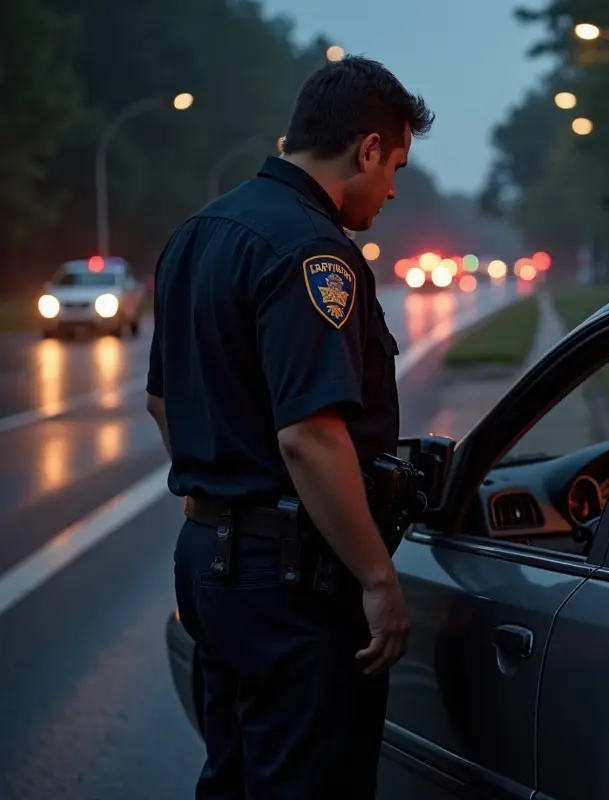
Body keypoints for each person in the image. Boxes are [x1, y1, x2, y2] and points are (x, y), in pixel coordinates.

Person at [145, 56, 434, 798]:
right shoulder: (314, 250)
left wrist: (227, 495)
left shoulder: (198, 232)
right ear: (366, 148)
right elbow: (310, 437)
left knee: (235, 774)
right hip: (291, 583)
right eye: (395, 165)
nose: (393, 188)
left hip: (207, 560)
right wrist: (376, 577)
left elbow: (161, 404)